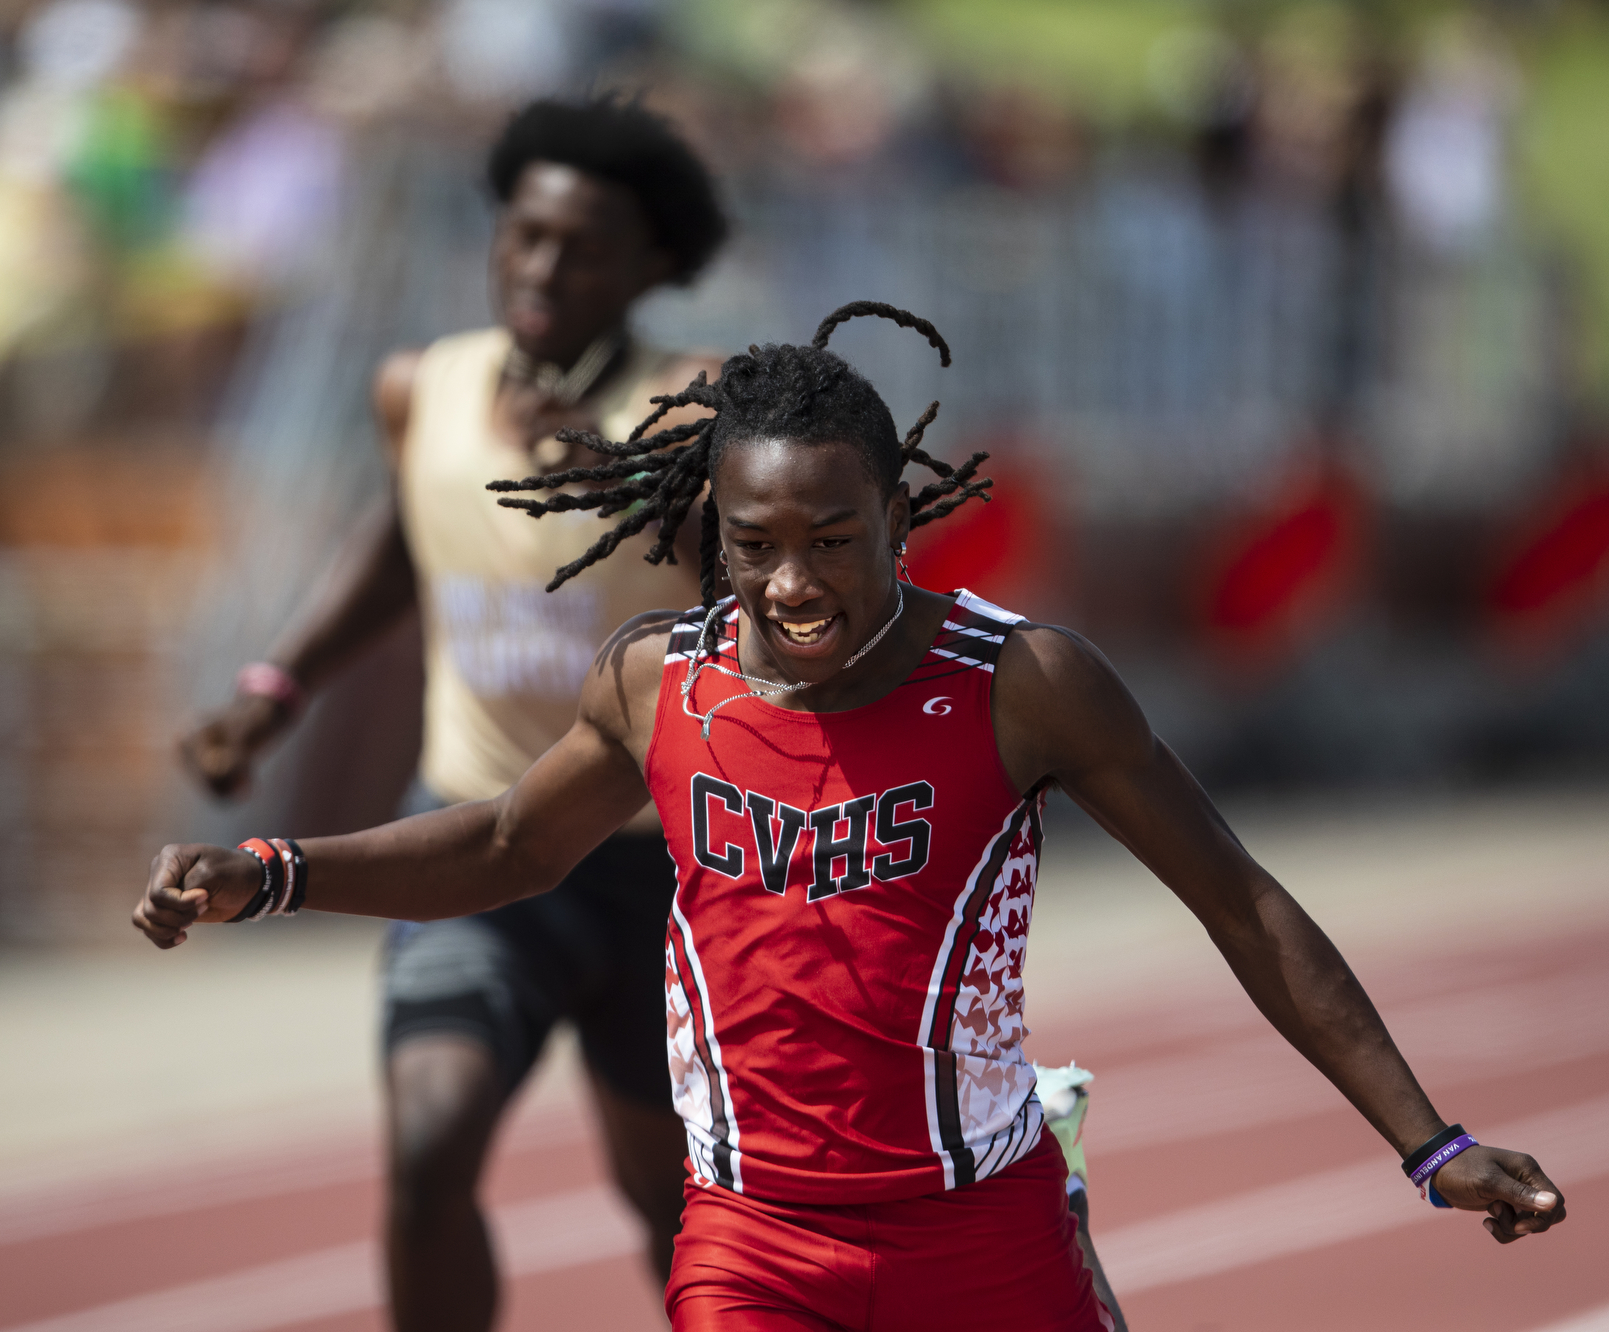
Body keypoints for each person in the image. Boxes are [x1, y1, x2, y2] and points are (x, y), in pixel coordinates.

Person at [139, 301, 1567, 1331]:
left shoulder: (1023, 685)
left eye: (835, 542)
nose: (794, 585)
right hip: (753, 1243)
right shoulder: (660, 688)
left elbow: (1241, 903)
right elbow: (508, 845)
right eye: (754, 548)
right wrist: (271, 873)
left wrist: (1428, 1143)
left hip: (982, 1228)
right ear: (713, 534)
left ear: (898, 517)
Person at [178, 95, 724, 1331]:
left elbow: (766, 581)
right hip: (468, 841)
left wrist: (631, 478)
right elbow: (403, 540)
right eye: (523, 235)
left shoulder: (692, 404)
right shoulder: (420, 384)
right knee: (428, 1149)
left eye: (582, 247)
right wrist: (273, 692)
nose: (540, 266)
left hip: (655, 867)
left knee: (669, 1201)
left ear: (650, 265)